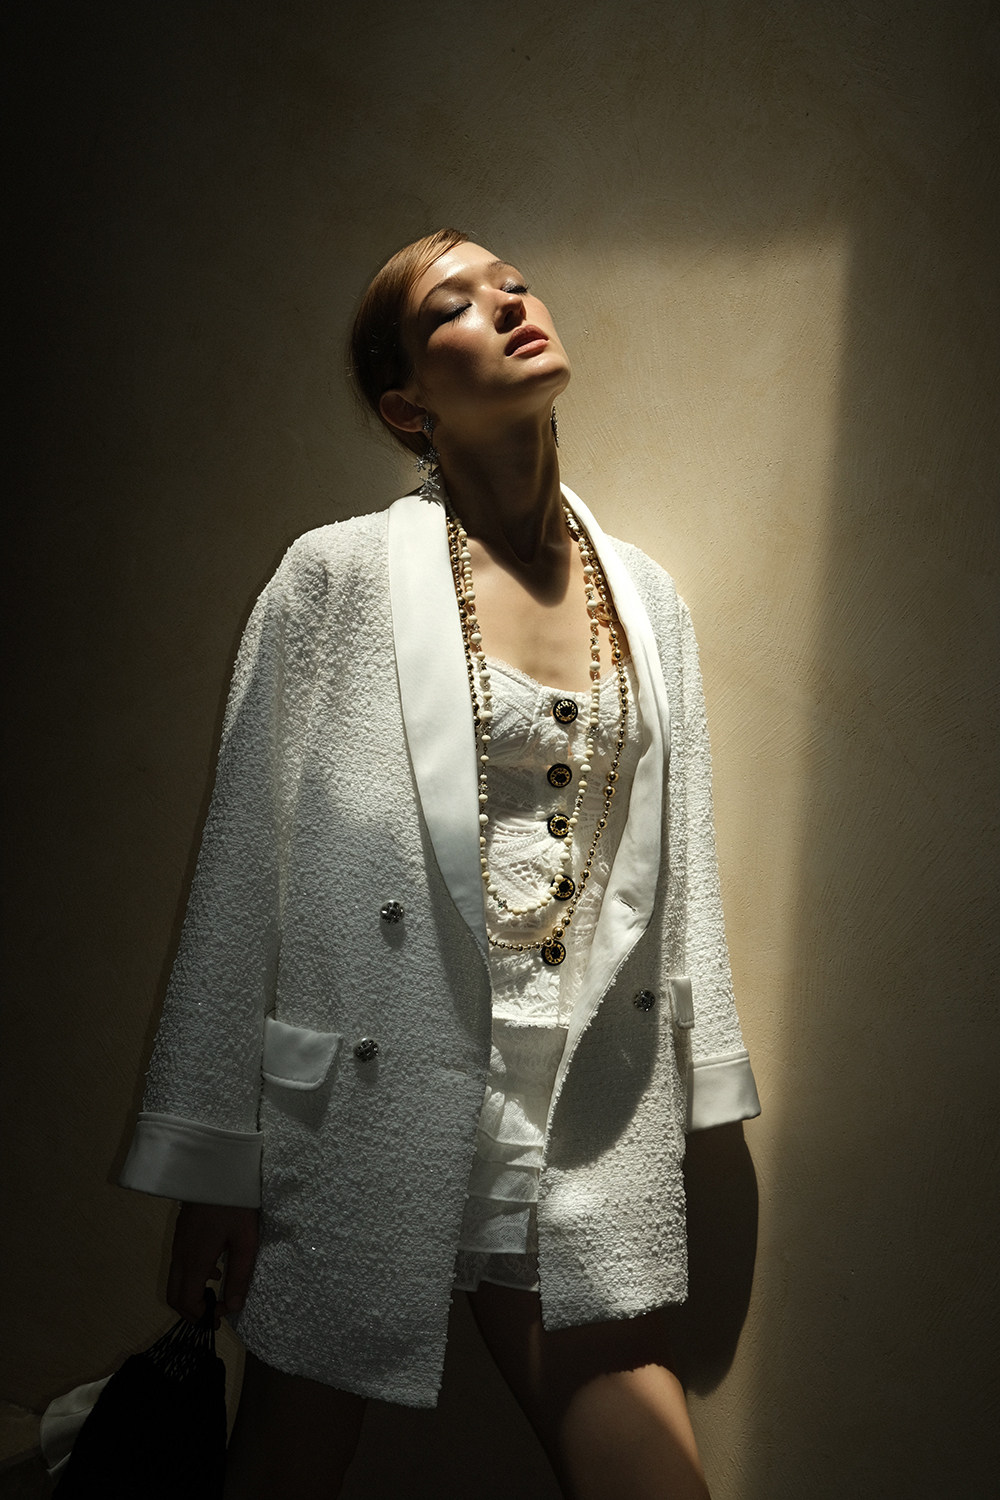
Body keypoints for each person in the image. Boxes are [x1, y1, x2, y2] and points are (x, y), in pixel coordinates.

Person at [120, 228, 761, 1499]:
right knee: (287, 1459)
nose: (508, 302)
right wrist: (216, 1165)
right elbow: (243, 864)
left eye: (512, 282)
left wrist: (702, 1077)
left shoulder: (648, 598)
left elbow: (675, 862)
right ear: (407, 405)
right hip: (369, 1089)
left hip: (576, 1101)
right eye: (453, 307)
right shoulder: (332, 579)